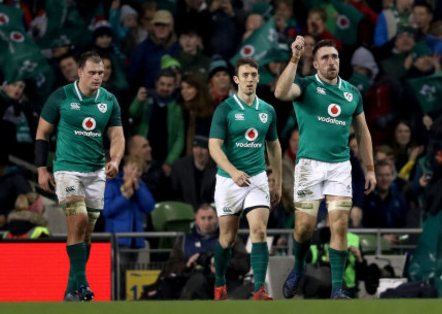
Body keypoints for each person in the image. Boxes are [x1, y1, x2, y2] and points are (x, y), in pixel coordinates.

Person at [274, 37, 376, 299]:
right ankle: (298, 267)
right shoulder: (306, 86)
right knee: (304, 228)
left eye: (335, 57)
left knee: (339, 224)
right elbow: (280, 93)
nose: (332, 61)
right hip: (309, 166)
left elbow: (363, 132)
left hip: (340, 166)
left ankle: (337, 289)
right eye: (326, 58)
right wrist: (295, 59)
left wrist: (370, 168)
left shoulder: (352, 92)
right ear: (316, 64)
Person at [36, 50, 125, 302]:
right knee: (79, 221)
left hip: (96, 172)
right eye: (93, 72)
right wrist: (41, 168)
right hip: (67, 169)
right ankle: (84, 284)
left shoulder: (109, 100)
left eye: (101, 72)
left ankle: (71, 290)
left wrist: (115, 160)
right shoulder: (61, 97)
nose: (98, 77)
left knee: (85, 233)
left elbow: (117, 136)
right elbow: (42, 133)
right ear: (80, 72)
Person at [208, 57, 282, 300]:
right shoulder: (226, 109)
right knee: (227, 238)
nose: (250, 79)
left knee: (259, 231)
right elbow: (214, 147)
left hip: (257, 179)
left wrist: (278, 181)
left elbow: (274, 147)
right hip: (229, 181)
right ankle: (219, 283)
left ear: (258, 78)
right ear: (237, 80)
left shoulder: (267, 110)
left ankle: (259, 289)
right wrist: (232, 172)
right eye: (245, 75)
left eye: (253, 75)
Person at [145, 204, 250, 300]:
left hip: (226, 282)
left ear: (217, 219)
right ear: (196, 220)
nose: (207, 222)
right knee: (196, 281)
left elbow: (244, 264)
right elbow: (169, 268)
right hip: (192, 283)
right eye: (203, 218)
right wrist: (187, 264)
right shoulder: (184, 241)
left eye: (210, 218)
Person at [0, 142, 32, 230]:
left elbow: (29, 204)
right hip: (5, 232)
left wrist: (6, 217)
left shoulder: (17, 180)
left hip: (16, 233)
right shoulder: (2, 180)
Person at [171, 135, 217, 210]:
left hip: (208, 213)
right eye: (196, 147)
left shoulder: (216, 169)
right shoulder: (180, 166)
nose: (199, 152)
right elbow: (174, 194)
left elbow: (216, 197)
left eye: (202, 148)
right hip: (184, 212)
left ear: (209, 150)